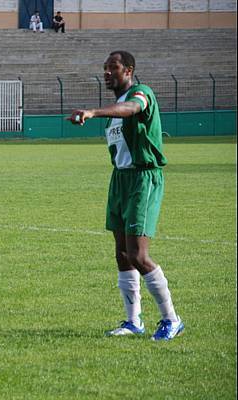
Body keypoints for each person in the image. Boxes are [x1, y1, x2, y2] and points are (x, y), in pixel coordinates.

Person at [67, 51, 184, 341]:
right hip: (119, 179)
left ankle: (171, 319)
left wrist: (93, 112)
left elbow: (133, 108)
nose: (107, 72)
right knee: (121, 254)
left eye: (113, 67)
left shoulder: (141, 93)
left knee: (138, 254)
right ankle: (134, 321)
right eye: (105, 68)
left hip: (143, 177)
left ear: (129, 70)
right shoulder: (116, 103)